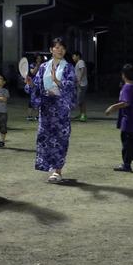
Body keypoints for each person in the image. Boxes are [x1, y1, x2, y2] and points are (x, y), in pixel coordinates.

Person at [24, 38, 77, 183]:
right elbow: (36, 86)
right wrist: (30, 84)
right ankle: (49, 167)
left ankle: (57, 171)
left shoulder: (68, 68)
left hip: (60, 110)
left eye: (62, 48)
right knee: (45, 139)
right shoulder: (43, 67)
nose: (60, 50)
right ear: (51, 49)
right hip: (46, 109)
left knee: (60, 139)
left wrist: (58, 82)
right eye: (57, 47)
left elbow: (71, 86)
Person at [105, 64, 133, 172]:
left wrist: (112, 107)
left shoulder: (127, 87)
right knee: (131, 140)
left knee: (127, 141)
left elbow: (126, 103)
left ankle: (128, 163)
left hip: (128, 118)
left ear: (124, 75)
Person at [26, 54, 45, 121]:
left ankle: (38, 116)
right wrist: (37, 65)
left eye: (40, 58)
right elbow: (33, 72)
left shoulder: (44, 65)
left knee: (40, 100)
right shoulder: (32, 65)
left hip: (41, 84)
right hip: (33, 84)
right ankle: (29, 115)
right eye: (37, 58)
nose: (39, 59)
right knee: (32, 100)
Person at [72, 51, 88, 122]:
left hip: (82, 84)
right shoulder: (78, 63)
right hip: (80, 84)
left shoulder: (80, 61)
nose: (73, 58)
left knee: (81, 100)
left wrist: (79, 80)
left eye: (74, 56)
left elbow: (83, 70)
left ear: (78, 56)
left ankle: (83, 115)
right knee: (81, 100)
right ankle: (82, 114)